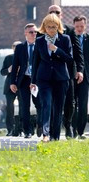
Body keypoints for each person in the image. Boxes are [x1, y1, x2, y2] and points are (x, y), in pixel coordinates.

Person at [30, 13, 73, 142]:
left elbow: (70, 59)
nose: (51, 30)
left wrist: (57, 50)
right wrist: (33, 82)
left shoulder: (65, 39)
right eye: (48, 27)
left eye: (54, 27)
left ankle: (55, 136)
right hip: (44, 79)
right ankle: (46, 134)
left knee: (58, 108)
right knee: (47, 104)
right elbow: (35, 61)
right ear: (44, 27)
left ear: (58, 26)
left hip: (61, 79)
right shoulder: (39, 41)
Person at [47, 5, 84, 139]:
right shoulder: (43, 31)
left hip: (67, 72)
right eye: (52, 12)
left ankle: (68, 125)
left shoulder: (69, 30)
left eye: (57, 12)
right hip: (49, 73)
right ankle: (51, 129)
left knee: (70, 102)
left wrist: (79, 70)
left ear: (61, 15)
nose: (54, 14)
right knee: (50, 102)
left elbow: (78, 54)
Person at [10, 24, 42, 138]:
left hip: (38, 80)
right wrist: (13, 82)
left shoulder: (41, 45)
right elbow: (15, 66)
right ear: (26, 34)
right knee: (24, 106)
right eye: (31, 32)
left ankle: (40, 125)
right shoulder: (20, 47)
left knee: (39, 104)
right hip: (24, 80)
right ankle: (27, 130)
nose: (34, 34)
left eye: (35, 32)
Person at [72, 15, 89, 139]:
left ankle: (81, 131)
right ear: (74, 26)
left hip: (86, 77)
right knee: (72, 104)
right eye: (77, 26)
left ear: (85, 26)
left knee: (83, 104)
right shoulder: (69, 39)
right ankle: (72, 130)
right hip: (72, 76)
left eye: (81, 26)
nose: (79, 29)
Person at [2, 41, 21, 137]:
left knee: (23, 107)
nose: (16, 48)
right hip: (9, 86)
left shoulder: (25, 57)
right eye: (15, 46)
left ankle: (20, 129)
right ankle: (10, 130)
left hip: (22, 85)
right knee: (9, 108)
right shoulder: (8, 58)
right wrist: (8, 70)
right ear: (12, 48)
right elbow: (2, 72)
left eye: (18, 46)